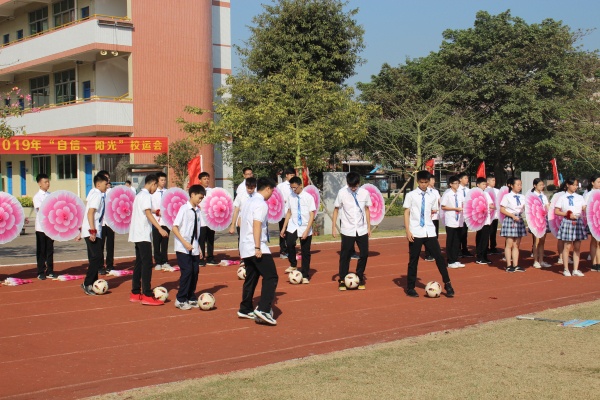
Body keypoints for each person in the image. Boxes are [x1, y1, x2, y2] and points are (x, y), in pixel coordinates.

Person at [403, 170, 454, 298]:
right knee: (413, 260)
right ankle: (410, 287)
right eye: (421, 182)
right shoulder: (411, 195)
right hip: (415, 231)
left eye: (426, 182)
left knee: (439, 258)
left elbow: (433, 210)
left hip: (429, 231)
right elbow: (406, 212)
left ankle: (448, 284)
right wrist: (408, 230)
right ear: (417, 182)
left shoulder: (432, 195)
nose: (424, 185)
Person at [237, 177, 279, 326]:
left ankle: (245, 308)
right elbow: (257, 224)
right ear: (267, 188)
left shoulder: (248, 202)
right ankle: (264, 309)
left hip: (245, 246)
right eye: (272, 191)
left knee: (252, 277)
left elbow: (240, 222)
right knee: (271, 276)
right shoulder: (261, 204)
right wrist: (257, 247)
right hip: (255, 245)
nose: (272, 194)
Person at [129, 174, 168, 305]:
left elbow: (146, 211)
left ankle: (135, 292)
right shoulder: (146, 196)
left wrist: (155, 211)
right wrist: (159, 228)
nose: (155, 189)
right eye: (156, 186)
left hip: (137, 234)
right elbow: (147, 213)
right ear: (153, 184)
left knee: (139, 263)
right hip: (143, 234)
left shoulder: (139, 195)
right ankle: (147, 294)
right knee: (147, 264)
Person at [332, 171, 372, 291]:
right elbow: (336, 209)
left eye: (355, 186)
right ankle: (342, 279)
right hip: (347, 229)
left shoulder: (364, 193)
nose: (353, 188)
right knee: (345, 255)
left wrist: (369, 227)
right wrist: (333, 227)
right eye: (351, 186)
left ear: (359, 183)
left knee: (364, 254)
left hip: (361, 229)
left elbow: (367, 209)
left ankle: (359, 276)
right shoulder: (342, 193)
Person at [171, 184, 206, 310]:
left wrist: (199, 247)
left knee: (195, 272)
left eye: (202, 198)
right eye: (199, 197)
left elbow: (196, 231)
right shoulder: (184, 209)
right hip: (183, 247)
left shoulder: (198, 211)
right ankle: (180, 299)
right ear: (192, 195)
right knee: (187, 272)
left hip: (194, 247)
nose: (200, 200)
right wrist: (184, 243)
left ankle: (191, 296)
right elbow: (175, 228)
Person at [280, 176, 316, 283]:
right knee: (289, 243)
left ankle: (305, 275)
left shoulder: (308, 197)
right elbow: (289, 212)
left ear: (300, 185)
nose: (293, 190)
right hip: (293, 225)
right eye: (291, 188)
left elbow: (312, 215)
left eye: (295, 187)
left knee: (305, 251)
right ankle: (293, 264)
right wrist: (283, 228)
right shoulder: (291, 196)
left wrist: (307, 230)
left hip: (305, 226)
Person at [79, 173, 109, 295]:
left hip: (93, 229)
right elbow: (90, 212)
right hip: (92, 230)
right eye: (105, 184)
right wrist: (92, 230)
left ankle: (93, 282)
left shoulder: (95, 193)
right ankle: (87, 283)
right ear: (98, 184)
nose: (107, 186)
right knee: (97, 257)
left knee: (94, 258)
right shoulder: (96, 195)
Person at [555, 177, 587, 277]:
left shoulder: (580, 197)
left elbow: (584, 208)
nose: (575, 187)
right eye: (573, 185)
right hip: (567, 221)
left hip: (578, 222)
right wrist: (566, 214)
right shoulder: (562, 197)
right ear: (567, 185)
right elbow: (556, 211)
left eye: (576, 185)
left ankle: (575, 269)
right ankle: (566, 269)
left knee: (577, 247)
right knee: (567, 246)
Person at [500, 177, 527, 272]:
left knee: (516, 244)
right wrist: (512, 215)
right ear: (511, 185)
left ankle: (516, 265)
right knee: (509, 244)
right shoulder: (507, 196)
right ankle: (508, 265)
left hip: (519, 219)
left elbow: (525, 208)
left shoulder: (522, 197)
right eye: (518, 185)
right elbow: (502, 209)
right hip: (510, 219)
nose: (520, 186)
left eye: (520, 185)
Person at [229, 177, 257, 264]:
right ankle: (243, 257)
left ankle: (253, 256)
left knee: (253, 239)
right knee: (242, 240)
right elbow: (236, 210)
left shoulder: (257, 196)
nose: (250, 190)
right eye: (248, 188)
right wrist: (232, 225)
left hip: (253, 222)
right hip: (241, 222)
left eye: (252, 188)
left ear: (255, 187)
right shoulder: (241, 195)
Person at [33, 173, 55, 280]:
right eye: (45, 182)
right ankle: (40, 271)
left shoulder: (51, 195)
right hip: (41, 228)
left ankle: (50, 270)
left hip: (50, 227)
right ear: (39, 184)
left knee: (50, 249)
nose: (47, 184)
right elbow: (41, 210)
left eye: (48, 181)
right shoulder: (37, 197)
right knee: (41, 250)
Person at [441, 175, 465, 269]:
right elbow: (443, 207)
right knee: (450, 240)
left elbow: (464, 203)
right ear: (450, 184)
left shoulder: (459, 193)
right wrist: (454, 208)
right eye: (455, 183)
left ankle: (455, 259)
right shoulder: (447, 193)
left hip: (459, 220)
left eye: (458, 183)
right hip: (450, 219)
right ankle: (450, 260)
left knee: (457, 240)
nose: (457, 185)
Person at [151, 172, 171, 271]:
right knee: (156, 242)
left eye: (165, 180)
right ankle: (158, 261)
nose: (163, 182)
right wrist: (156, 211)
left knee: (165, 242)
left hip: (166, 221)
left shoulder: (167, 192)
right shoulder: (153, 193)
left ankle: (165, 261)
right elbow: (148, 208)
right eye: (161, 180)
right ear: (157, 181)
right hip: (156, 221)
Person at [96, 170, 114, 275]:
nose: (107, 180)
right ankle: (100, 266)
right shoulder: (96, 193)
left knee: (110, 245)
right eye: (105, 178)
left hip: (110, 223)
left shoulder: (112, 192)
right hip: (100, 223)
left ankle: (110, 265)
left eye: (108, 178)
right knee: (100, 246)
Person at [531, 178, 551, 269]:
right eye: (540, 185)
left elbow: (547, 206)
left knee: (542, 241)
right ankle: (535, 261)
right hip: (535, 220)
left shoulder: (543, 196)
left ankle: (541, 260)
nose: (542, 186)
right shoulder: (532, 195)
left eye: (542, 185)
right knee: (536, 241)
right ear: (535, 185)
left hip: (543, 219)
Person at [198, 171, 218, 266]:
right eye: (204, 179)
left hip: (210, 219)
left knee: (210, 239)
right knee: (201, 239)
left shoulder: (212, 191)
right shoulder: (197, 190)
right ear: (200, 180)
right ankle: (201, 258)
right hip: (201, 219)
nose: (206, 180)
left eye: (207, 179)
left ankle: (210, 257)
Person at [276, 167, 296, 259]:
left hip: (293, 214)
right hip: (283, 213)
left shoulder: (295, 185)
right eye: (291, 175)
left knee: (292, 232)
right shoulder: (281, 186)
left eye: (293, 175)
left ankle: (291, 250)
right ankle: (283, 250)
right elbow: (276, 197)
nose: (292, 177)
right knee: (283, 232)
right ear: (286, 175)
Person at [474, 177, 495, 265]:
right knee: (481, 237)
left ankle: (484, 256)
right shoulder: (475, 194)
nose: (484, 186)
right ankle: (479, 256)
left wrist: (495, 207)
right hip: (479, 219)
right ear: (478, 185)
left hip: (487, 219)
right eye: (483, 184)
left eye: (485, 184)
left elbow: (490, 204)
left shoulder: (486, 193)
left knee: (486, 238)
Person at [457, 172, 474, 257]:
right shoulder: (457, 189)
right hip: (458, 214)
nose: (467, 180)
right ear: (460, 179)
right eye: (465, 178)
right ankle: (458, 250)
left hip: (466, 215)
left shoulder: (468, 190)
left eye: (467, 178)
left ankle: (464, 249)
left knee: (464, 233)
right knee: (459, 233)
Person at [585, 175, 600, 272]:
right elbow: (585, 207)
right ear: (592, 183)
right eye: (598, 182)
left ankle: (598, 263)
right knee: (595, 241)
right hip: (594, 221)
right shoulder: (589, 194)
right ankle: (595, 263)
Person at [424, 175, 440, 261]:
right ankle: (428, 254)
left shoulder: (435, 191)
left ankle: (434, 252)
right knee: (428, 235)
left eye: (434, 179)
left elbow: (440, 201)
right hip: (428, 217)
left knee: (435, 235)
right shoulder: (425, 191)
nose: (433, 181)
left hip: (436, 216)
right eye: (432, 180)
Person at [486, 174, 502, 254]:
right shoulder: (485, 191)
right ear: (488, 181)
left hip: (495, 215)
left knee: (493, 232)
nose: (494, 182)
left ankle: (493, 247)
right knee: (487, 232)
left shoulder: (497, 191)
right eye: (492, 180)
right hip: (488, 215)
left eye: (494, 180)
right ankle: (486, 247)